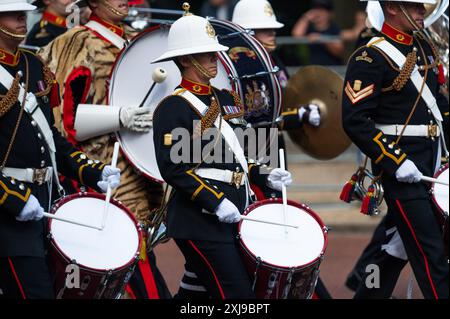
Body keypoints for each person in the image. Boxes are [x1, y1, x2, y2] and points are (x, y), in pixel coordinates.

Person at [152, 5, 292, 299]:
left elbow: (245, 153)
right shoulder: (174, 107)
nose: (214, 58)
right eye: (205, 53)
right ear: (186, 60)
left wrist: (267, 174)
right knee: (237, 295)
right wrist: (215, 202)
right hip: (200, 219)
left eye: (213, 51)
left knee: (199, 293)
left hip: (235, 211)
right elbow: (175, 170)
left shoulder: (226, 98)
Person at [38, 0, 170, 299]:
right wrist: (119, 117)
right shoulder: (75, 42)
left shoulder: (134, 44)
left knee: (138, 258)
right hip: (101, 173)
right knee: (123, 268)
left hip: (141, 174)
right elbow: (61, 123)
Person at [0, 0, 121, 299]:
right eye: (11, 12)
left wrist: (93, 171)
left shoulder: (33, 64)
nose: (21, 16)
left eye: (23, 11)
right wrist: (13, 199)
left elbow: (52, 138)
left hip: (46, 202)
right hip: (9, 211)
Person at [342, 0, 449, 299]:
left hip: (433, 164)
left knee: (394, 249)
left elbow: (440, 110)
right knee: (432, 252)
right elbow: (355, 121)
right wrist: (396, 161)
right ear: (392, 7)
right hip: (401, 170)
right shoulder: (369, 56)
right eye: (415, 7)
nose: (422, 12)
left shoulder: (424, 49)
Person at [231, 0, 331, 300]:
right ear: (246, 32)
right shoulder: (241, 67)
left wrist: (299, 111)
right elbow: (258, 117)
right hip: (252, 150)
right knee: (264, 224)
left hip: (273, 148)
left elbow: (276, 109)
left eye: (273, 29)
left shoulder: (272, 63)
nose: (272, 35)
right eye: (264, 30)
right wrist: (296, 116)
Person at [291, 0, 343, 66]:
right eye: (316, 9)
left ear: (330, 14)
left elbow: (339, 51)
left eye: (323, 10)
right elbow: (296, 35)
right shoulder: (309, 28)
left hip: (332, 69)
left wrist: (322, 39)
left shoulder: (334, 29)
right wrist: (306, 17)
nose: (319, 13)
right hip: (314, 70)